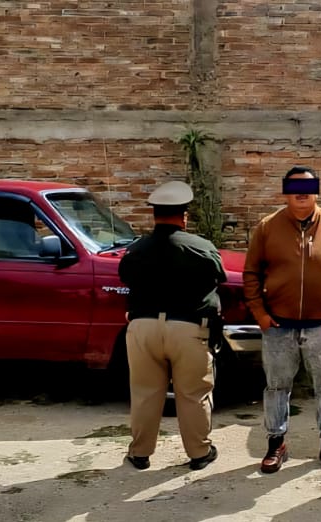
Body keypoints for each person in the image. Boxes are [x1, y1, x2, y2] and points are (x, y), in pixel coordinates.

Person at [243, 166, 321, 474]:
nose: (301, 193)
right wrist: (260, 313)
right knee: (276, 387)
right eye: (295, 187)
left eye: (307, 187)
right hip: (278, 326)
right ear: (286, 191)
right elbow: (251, 273)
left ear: (316, 191)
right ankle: (276, 444)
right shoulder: (268, 227)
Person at [117, 180, 225, 471]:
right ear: (184, 216)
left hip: (143, 327)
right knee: (193, 394)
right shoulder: (201, 248)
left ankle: (140, 454)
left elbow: (125, 277)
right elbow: (219, 275)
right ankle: (199, 453)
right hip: (188, 329)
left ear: (154, 216)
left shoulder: (135, 249)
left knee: (144, 393)